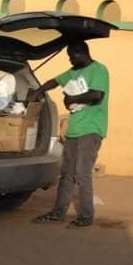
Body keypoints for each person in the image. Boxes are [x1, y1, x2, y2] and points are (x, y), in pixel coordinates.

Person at [28, 41, 110, 228]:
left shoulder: (99, 70)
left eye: (71, 56)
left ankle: (86, 216)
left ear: (81, 53)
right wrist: (38, 91)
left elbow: (97, 95)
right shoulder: (73, 72)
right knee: (67, 174)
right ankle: (58, 213)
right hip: (74, 129)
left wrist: (72, 99)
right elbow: (55, 82)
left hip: (91, 128)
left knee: (82, 173)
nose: (70, 60)